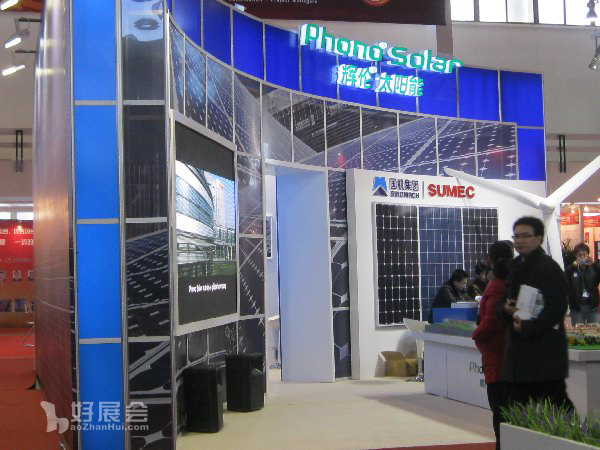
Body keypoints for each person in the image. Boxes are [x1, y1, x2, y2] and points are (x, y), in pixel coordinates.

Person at [499, 216, 574, 411]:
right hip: (518, 354)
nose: (519, 241)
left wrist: (528, 326)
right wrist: (505, 309)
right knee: (518, 409)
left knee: (555, 407)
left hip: (544, 354)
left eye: (525, 236)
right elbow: (503, 300)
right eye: (516, 236)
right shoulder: (515, 266)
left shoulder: (548, 268)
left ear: (539, 238)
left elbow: (557, 308)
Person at [472, 241, 514, 450]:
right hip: (511, 354)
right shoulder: (515, 281)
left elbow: (491, 321)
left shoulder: (496, 285)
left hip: (498, 356)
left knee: (501, 413)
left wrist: (477, 335)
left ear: (490, 260)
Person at [565, 243, 600, 325]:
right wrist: (572, 267)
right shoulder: (571, 269)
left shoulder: (593, 268)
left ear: (588, 255)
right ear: (575, 256)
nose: (582, 257)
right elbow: (564, 280)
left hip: (592, 306)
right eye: (579, 255)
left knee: (594, 330)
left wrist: (594, 264)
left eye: (585, 255)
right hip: (577, 308)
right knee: (578, 330)